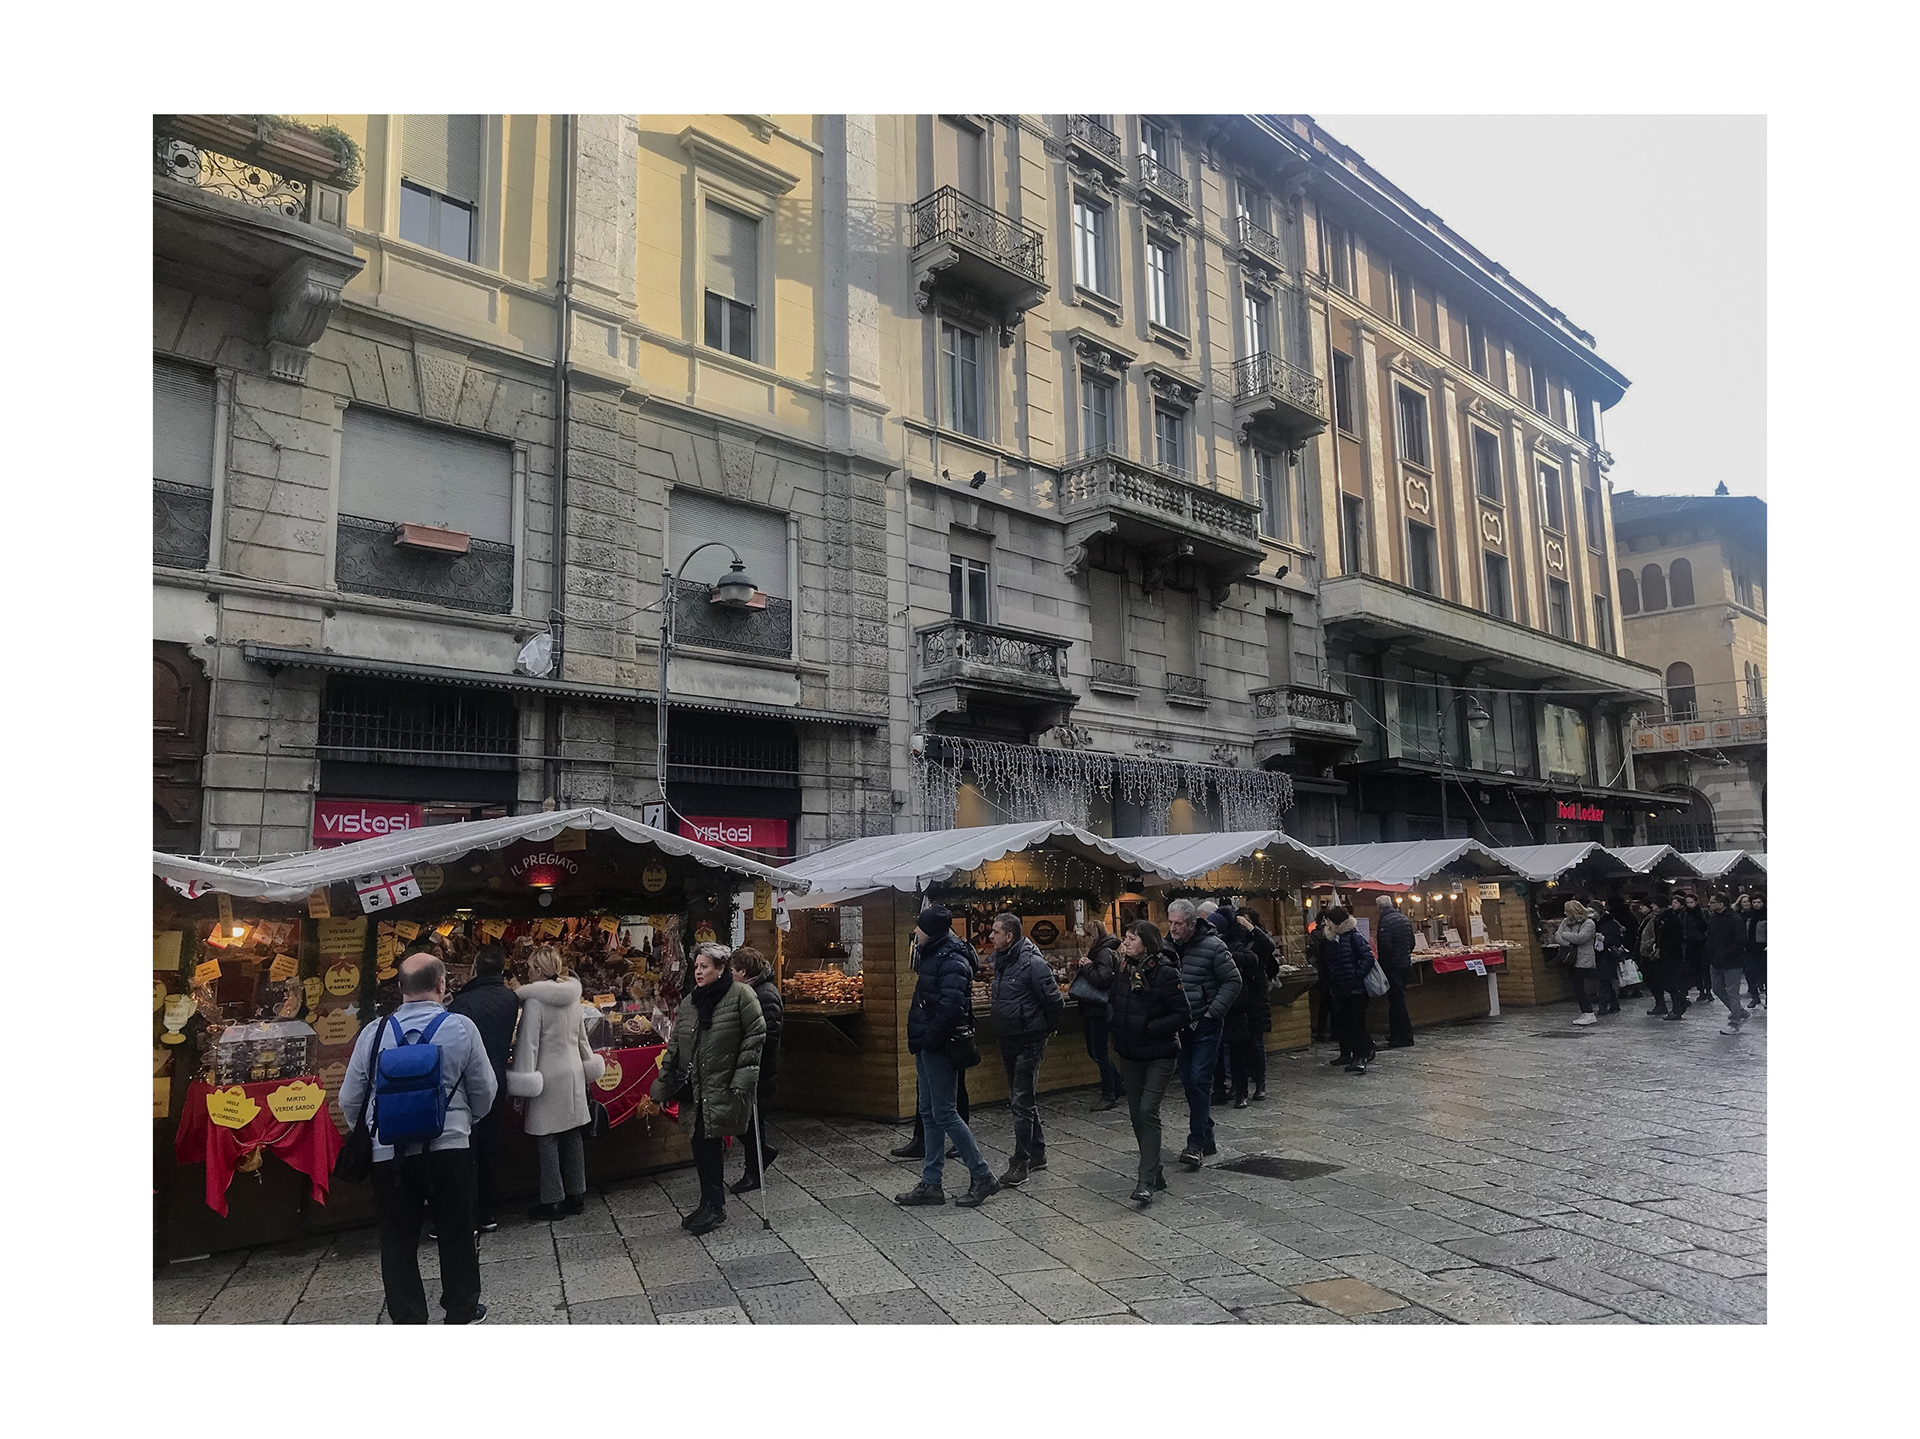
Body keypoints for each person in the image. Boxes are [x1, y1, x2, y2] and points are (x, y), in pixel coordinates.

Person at [338, 952, 497, 1325]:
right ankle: (461, 1309)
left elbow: (349, 1098)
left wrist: (374, 1130)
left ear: (400, 988)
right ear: (442, 985)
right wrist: (466, 1121)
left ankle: (409, 1319)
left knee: (397, 1241)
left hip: (388, 1154)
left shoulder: (374, 1032)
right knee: (456, 1231)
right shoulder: (461, 1028)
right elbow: (485, 1089)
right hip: (449, 1149)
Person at [647, 942, 765, 1234]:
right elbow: (674, 1047)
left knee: (711, 1147)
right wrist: (661, 1087)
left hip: (722, 1086)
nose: (699, 972)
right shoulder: (690, 1002)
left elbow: (755, 1036)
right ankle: (708, 1202)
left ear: (721, 968)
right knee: (700, 1147)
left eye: (705, 966)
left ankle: (715, 1206)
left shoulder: (741, 995)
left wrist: (742, 1080)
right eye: (697, 966)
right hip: (695, 1090)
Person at [895, 907, 998, 1208]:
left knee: (944, 1113)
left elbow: (951, 1008)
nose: (915, 932)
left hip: (940, 1046)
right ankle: (931, 1183)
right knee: (929, 1112)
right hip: (928, 1045)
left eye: (919, 928)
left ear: (932, 931)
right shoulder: (935, 954)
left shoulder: (951, 959)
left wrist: (929, 1039)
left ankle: (981, 1174)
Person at [506, 945, 606, 1222]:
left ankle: (552, 1201)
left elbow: (529, 1047)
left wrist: (522, 1084)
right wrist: (588, 1065)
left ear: (538, 970)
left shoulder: (535, 1002)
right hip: (573, 1072)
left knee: (547, 1139)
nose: (527, 972)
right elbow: (583, 1040)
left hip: (547, 1076)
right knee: (573, 1134)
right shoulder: (573, 999)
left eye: (529, 968)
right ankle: (576, 1195)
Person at [1108, 921, 1187, 1204]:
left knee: (1147, 1110)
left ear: (1147, 943)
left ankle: (1145, 1180)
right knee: (1135, 1114)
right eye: (1125, 938)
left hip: (1159, 1053)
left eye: (1131, 939)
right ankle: (1156, 1171)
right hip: (1130, 1053)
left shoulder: (1165, 972)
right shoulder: (1122, 971)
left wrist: (1149, 1028)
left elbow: (1182, 1014)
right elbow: (1113, 1002)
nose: (1125, 943)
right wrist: (1115, 1025)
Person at [987, 913, 1065, 1187]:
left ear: (1009, 936)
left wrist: (1045, 1030)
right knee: (1022, 1098)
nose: (990, 936)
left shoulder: (1032, 963)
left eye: (996, 932)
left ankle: (1020, 1162)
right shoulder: (1001, 961)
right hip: (1007, 1037)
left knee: (1021, 1102)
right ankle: (1038, 1151)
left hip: (1029, 1040)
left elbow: (1055, 1001)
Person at [445, 944, 518, 1233]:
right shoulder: (510, 998)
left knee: (466, 1149)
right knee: (489, 1146)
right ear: (501, 969)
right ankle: (489, 1212)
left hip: (467, 1082)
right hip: (498, 1077)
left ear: (475, 967)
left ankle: (468, 1215)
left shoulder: (463, 1004)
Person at [1166, 897, 1241, 1169]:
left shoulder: (1213, 946)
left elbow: (1233, 980)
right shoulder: (1166, 948)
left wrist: (1213, 1012)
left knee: (1199, 1078)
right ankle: (1206, 1135)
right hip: (1180, 1024)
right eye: (1171, 923)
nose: (1173, 929)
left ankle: (1195, 1142)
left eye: (1179, 924)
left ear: (1192, 924)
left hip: (1206, 1023)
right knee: (1188, 1080)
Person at [728, 946, 783, 1195]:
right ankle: (759, 1160)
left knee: (751, 1120)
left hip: (760, 1068)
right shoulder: (751, 990)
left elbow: (769, 1034)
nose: (729, 975)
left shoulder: (765, 994)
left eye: (732, 970)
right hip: (752, 1066)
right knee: (747, 1120)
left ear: (743, 971)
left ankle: (754, 1171)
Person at [1218, 902, 1271, 1108]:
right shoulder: (1229, 943)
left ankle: (1260, 1083)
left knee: (1256, 1045)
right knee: (1236, 1047)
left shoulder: (1257, 942)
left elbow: (1268, 946)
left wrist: (1251, 929)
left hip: (1255, 999)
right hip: (1238, 1001)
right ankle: (1240, 1088)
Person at [1317, 905, 1376, 1073]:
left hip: (1356, 990)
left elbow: (1368, 957)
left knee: (1356, 1024)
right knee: (1343, 1023)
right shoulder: (1330, 939)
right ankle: (1346, 1054)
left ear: (1336, 921)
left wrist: (1356, 975)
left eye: (1328, 920)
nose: (1325, 923)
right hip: (1339, 989)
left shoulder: (1353, 937)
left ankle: (1361, 1057)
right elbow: (1328, 962)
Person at [1075, 920, 1122, 1110]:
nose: (1084, 939)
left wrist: (1086, 967)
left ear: (1093, 935)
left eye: (1086, 935)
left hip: (1098, 1009)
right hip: (1093, 1009)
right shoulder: (1104, 950)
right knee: (1095, 1051)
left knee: (1098, 1052)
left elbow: (1102, 980)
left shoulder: (1102, 952)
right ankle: (1118, 1084)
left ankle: (1109, 1093)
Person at [1702, 892, 1749, 1035]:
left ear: (1721, 904)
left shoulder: (1735, 919)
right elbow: (1710, 937)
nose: (1709, 904)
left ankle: (1735, 1022)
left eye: (1712, 902)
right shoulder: (1713, 919)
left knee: (1732, 992)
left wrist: (1725, 953)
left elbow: (1740, 941)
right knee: (1717, 989)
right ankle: (1740, 1012)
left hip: (1732, 962)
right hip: (1715, 961)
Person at [1373, 895, 1416, 1050]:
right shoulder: (1403, 919)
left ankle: (1404, 1036)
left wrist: (1384, 964)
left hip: (1393, 966)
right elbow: (1412, 942)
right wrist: (1404, 954)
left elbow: (1385, 946)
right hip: (1405, 963)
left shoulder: (1385, 922)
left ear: (1379, 907)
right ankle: (1396, 1033)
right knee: (1397, 1000)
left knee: (1397, 1002)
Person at [1554, 900, 1602, 1027]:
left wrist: (1565, 935)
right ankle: (1585, 1012)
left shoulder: (1589, 923)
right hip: (1570, 959)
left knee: (1580, 987)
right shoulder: (1565, 922)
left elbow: (1581, 938)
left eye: (1567, 911)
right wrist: (1569, 942)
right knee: (1576, 987)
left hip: (1583, 959)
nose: (1565, 913)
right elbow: (1557, 936)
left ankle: (1589, 1012)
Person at [1631, 899, 1673, 1016]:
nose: (1641, 909)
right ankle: (1660, 1003)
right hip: (1647, 953)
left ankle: (1662, 1003)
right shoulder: (1649, 918)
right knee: (1651, 979)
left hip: (1652, 953)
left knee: (1655, 979)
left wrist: (1650, 947)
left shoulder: (1655, 918)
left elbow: (1652, 935)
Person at [1656, 894, 1693, 1020]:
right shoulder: (1666, 917)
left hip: (1675, 955)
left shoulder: (1673, 918)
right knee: (1670, 983)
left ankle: (1679, 1005)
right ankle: (1678, 1005)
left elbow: (1678, 936)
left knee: (1674, 982)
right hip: (1669, 955)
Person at [1595, 906, 1629, 1015]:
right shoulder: (1592, 923)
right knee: (1606, 980)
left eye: (1593, 911)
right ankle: (1614, 1004)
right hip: (1598, 955)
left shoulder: (1611, 923)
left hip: (1609, 955)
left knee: (1604, 980)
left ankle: (1603, 1006)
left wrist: (1605, 939)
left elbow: (1619, 939)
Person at [1681, 892, 1713, 1002]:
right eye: (1687, 902)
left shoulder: (1703, 913)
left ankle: (1708, 990)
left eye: (1691, 902)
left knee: (1705, 968)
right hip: (1690, 945)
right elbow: (1682, 928)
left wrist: (1705, 937)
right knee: (1696, 969)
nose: (1690, 904)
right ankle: (1701, 991)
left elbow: (1709, 927)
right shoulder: (1684, 914)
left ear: (1696, 902)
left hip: (1703, 944)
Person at [1742, 893, 1767, 1008]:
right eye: (1754, 902)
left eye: (1758, 902)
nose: (1756, 905)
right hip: (1749, 949)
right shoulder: (1748, 915)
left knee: (1765, 974)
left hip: (1763, 949)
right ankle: (1755, 997)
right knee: (1750, 974)